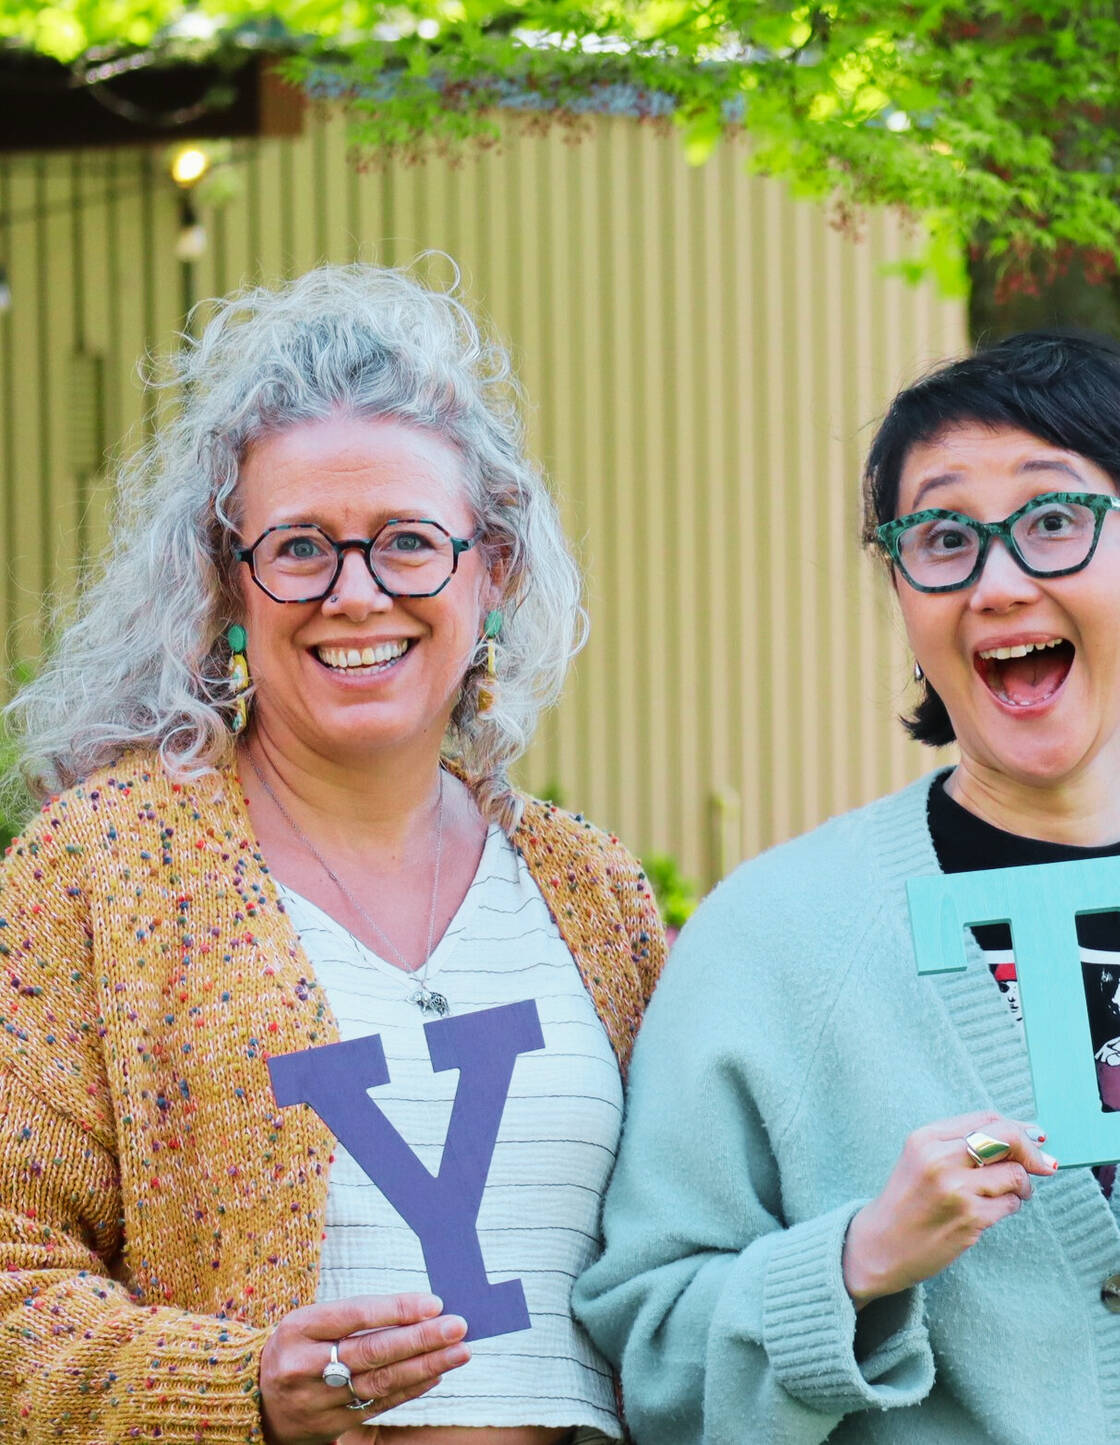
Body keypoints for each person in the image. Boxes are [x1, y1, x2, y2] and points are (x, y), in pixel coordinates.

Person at [575, 331, 1120, 1442]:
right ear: (903, 590)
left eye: (1054, 521)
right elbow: (652, 1352)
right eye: (943, 538)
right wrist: (855, 1263)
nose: (998, 583)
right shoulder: (768, 939)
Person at [0, 264, 665, 1445]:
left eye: (408, 542)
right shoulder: (99, 868)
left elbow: (683, 1262)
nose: (356, 594)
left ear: (493, 570)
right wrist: (240, 1387)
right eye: (300, 547)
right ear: (226, 584)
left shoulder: (593, 891)